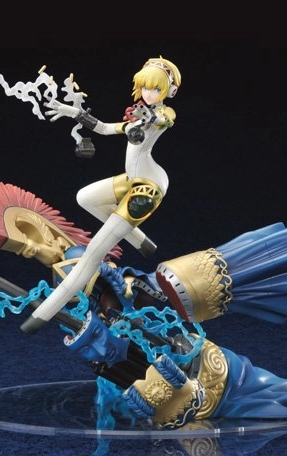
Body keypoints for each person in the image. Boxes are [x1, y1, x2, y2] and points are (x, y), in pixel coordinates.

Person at [20, 56, 182, 334]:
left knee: (92, 254)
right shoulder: (136, 117)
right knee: (85, 197)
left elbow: (164, 118)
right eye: (145, 87)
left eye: (156, 89)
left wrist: (150, 117)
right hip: (131, 178)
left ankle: (42, 314)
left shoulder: (162, 114)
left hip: (146, 189)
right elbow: (106, 128)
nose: (148, 93)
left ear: (170, 91)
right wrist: (74, 112)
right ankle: (142, 242)